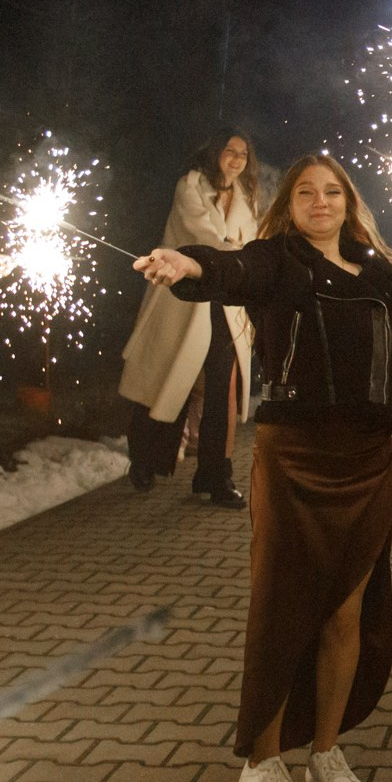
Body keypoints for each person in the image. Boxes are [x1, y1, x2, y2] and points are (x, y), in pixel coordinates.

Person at [132, 154, 392, 782]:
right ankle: (260, 762)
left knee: (346, 611)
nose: (321, 202)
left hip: (367, 457)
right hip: (297, 456)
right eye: (306, 193)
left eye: (332, 191)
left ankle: (325, 749)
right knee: (283, 608)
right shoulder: (277, 261)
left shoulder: (380, 272)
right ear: (288, 205)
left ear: (349, 202)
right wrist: (187, 265)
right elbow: (230, 269)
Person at [118, 132, 261, 506]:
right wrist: (242, 259)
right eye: (229, 151)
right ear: (214, 152)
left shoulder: (245, 198)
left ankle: (216, 476)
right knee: (164, 377)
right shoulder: (190, 186)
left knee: (222, 390)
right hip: (183, 299)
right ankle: (145, 459)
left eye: (243, 154)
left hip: (226, 303)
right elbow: (203, 237)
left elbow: (254, 242)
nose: (236, 159)